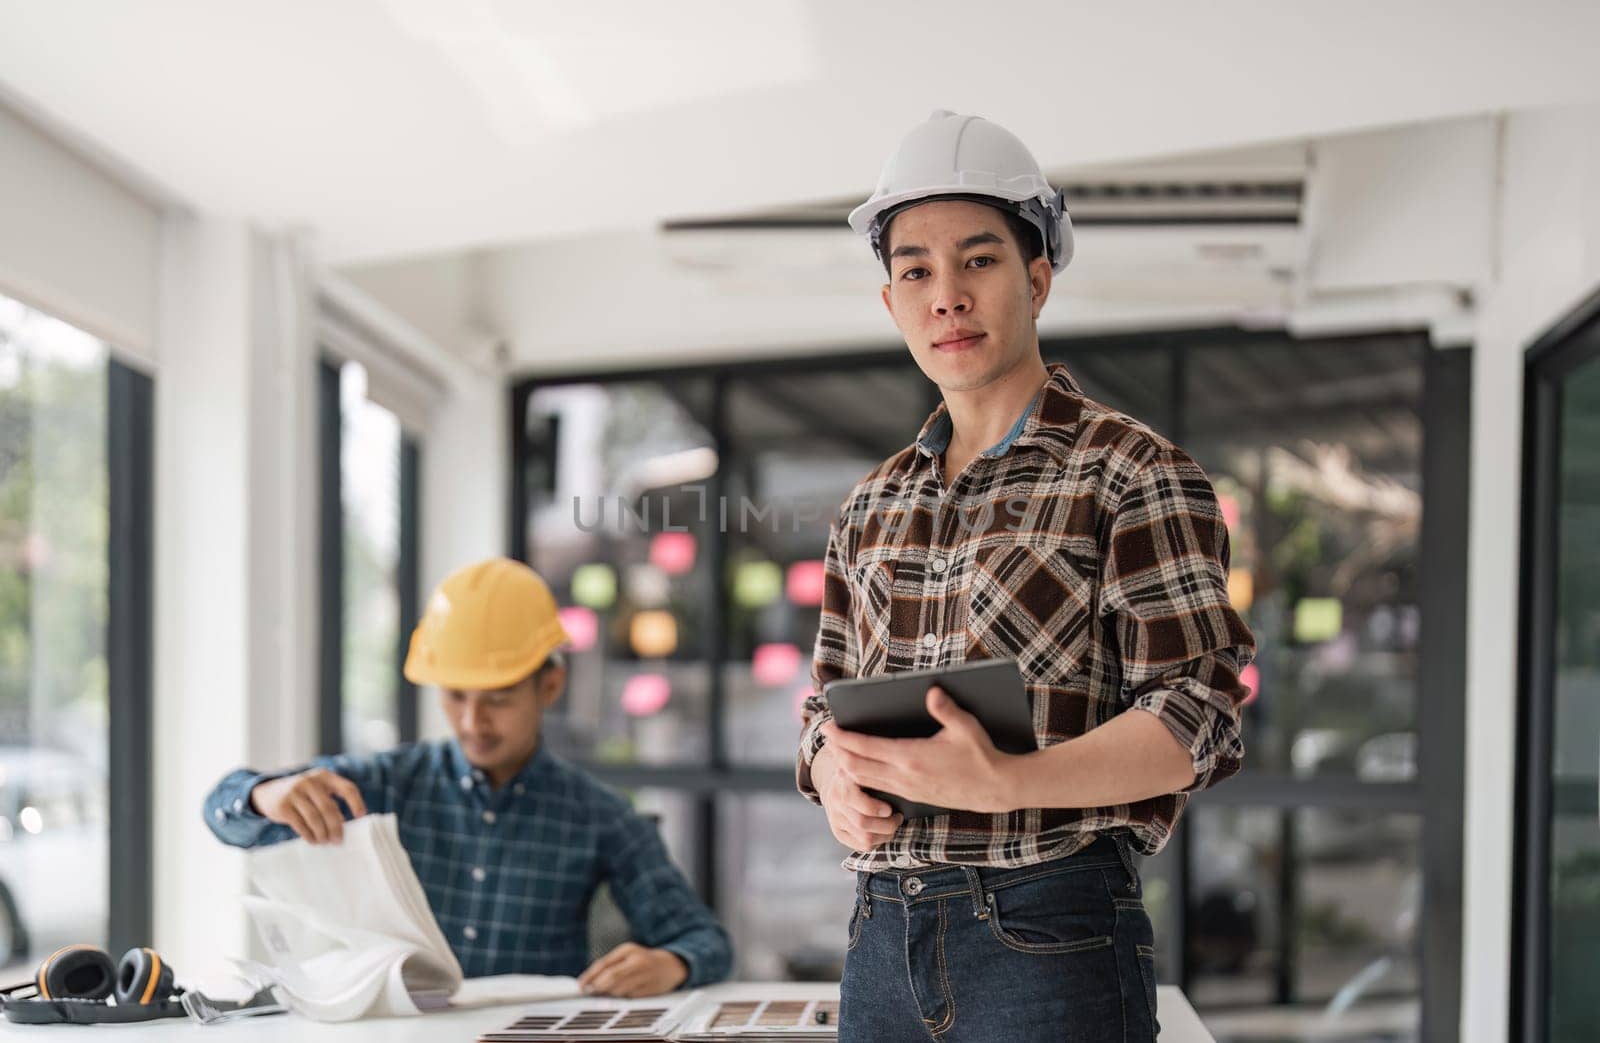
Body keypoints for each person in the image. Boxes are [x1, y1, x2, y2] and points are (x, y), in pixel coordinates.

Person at [796, 110, 1257, 1041]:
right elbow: (823, 703)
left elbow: (1196, 714)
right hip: (880, 933)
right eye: (916, 271)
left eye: (979, 261)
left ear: (1038, 278)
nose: (947, 296)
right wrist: (828, 770)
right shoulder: (871, 503)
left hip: (1049, 929)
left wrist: (1011, 780)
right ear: (892, 303)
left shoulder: (1134, 473)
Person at [204, 556, 731, 997]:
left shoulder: (599, 816)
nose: (473, 723)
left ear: (549, 686)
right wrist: (262, 794)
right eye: (456, 697)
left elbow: (704, 940)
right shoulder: (388, 784)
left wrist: (674, 963)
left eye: (498, 700)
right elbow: (222, 812)